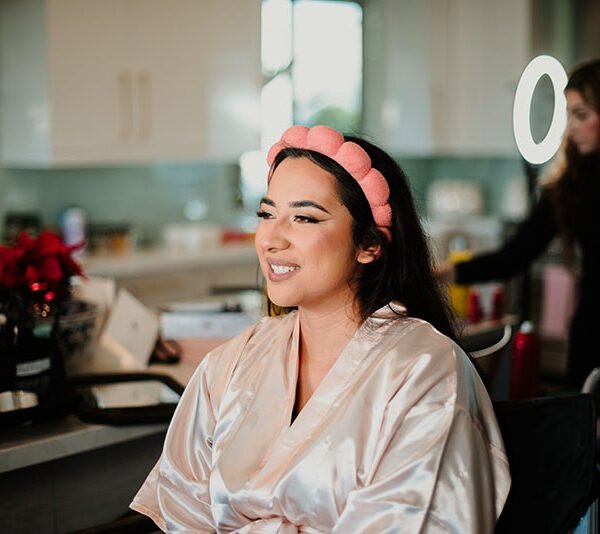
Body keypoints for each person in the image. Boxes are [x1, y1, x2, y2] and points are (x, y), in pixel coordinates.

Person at [131, 125, 510, 532]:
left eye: (304, 218)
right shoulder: (231, 363)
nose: (271, 239)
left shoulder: (425, 370)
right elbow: (182, 507)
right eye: (267, 214)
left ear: (370, 245)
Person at [437, 58, 600, 388]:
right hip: (592, 333)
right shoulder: (570, 186)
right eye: (569, 115)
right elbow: (515, 256)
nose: (570, 128)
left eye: (581, 115)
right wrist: (439, 273)